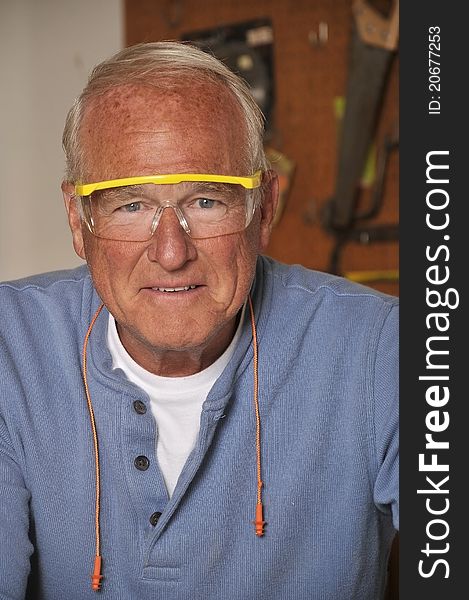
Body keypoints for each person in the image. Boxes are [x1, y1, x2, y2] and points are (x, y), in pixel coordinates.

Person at [0, 41, 398, 600]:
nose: (169, 251)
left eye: (206, 202)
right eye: (130, 205)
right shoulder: (9, 345)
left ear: (263, 210)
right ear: (78, 219)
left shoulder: (384, 348)